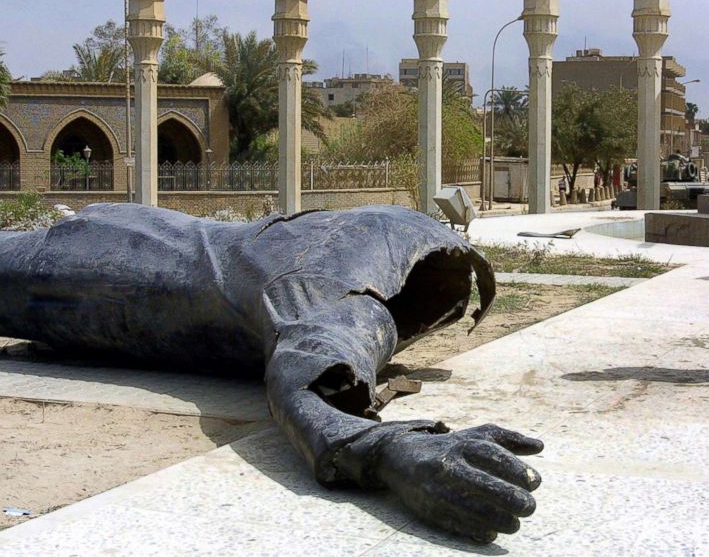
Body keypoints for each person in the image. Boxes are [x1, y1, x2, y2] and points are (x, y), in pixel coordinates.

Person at [0, 203, 540, 543]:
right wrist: (385, 449)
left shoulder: (395, 226)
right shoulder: (329, 287)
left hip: (133, 234)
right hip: (93, 275)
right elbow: (303, 380)